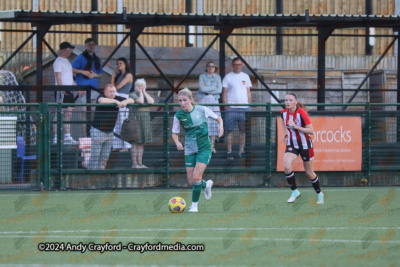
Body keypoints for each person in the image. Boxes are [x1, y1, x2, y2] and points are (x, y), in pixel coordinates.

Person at [172, 88, 224, 212]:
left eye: (185, 100)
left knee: (196, 177)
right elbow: (174, 133)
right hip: (189, 150)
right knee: (191, 181)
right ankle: (207, 184)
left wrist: (220, 127)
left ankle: (194, 206)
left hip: (204, 148)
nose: (182, 103)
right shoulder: (178, 115)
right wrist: (177, 142)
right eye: (180, 101)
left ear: (190, 100)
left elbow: (218, 118)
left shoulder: (202, 110)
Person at [281, 93, 324, 205]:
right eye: (286, 100)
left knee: (309, 173)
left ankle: (319, 194)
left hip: (305, 145)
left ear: (295, 102)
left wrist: (296, 127)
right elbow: (283, 122)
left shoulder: (302, 113)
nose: (287, 102)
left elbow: (311, 131)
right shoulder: (283, 113)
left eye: (290, 100)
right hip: (292, 144)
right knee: (286, 166)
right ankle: (295, 192)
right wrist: (286, 133)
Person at [88, 84, 134, 170]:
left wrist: (125, 102)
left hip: (109, 132)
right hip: (98, 131)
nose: (113, 93)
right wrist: (116, 102)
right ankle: (90, 174)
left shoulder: (117, 97)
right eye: (110, 92)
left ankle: (99, 175)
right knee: (95, 156)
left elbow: (132, 100)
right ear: (105, 92)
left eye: (114, 91)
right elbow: (102, 101)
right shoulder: (101, 96)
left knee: (104, 158)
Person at [71, 37, 104, 136]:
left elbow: (101, 74)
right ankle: (86, 136)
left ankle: (93, 134)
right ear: (85, 46)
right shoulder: (80, 57)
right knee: (84, 113)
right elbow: (71, 69)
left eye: (93, 44)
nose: (91, 46)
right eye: (89, 44)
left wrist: (94, 75)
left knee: (93, 112)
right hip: (84, 89)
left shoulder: (97, 59)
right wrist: (82, 72)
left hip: (94, 89)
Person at [53, 41, 84, 145]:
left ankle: (67, 136)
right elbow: (58, 76)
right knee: (59, 113)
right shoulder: (58, 61)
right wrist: (62, 89)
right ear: (64, 50)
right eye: (69, 49)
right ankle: (56, 137)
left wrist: (77, 88)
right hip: (62, 90)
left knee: (68, 113)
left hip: (69, 90)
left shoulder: (67, 61)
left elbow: (70, 78)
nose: (70, 51)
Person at [222, 57, 252, 160]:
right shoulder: (228, 77)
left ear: (242, 65)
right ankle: (229, 152)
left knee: (243, 131)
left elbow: (248, 92)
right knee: (229, 130)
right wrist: (226, 106)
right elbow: (224, 93)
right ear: (232, 65)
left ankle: (241, 152)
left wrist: (249, 105)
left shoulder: (246, 76)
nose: (237, 66)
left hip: (244, 108)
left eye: (239, 65)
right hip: (231, 108)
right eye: (235, 65)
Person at [129, 79, 154, 168]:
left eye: (142, 85)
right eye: (138, 85)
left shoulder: (146, 95)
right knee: (135, 143)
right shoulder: (132, 94)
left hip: (145, 122)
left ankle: (140, 163)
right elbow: (140, 101)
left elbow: (151, 101)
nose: (140, 87)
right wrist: (140, 93)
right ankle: (134, 163)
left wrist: (144, 92)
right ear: (135, 86)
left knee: (141, 143)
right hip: (135, 122)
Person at [198, 61, 222, 154]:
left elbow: (219, 90)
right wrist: (213, 88)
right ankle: (203, 146)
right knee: (203, 121)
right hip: (204, 99)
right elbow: (202, 89)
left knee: (213, 121)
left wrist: (208, 87)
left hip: (214, 100)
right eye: (209, 66)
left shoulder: (218, 77)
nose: (211, 68)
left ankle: (212, 146)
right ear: (206, 67)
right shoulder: (202, 76)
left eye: (213, 66)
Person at [111, 57, 133, 152]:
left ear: (125, 64)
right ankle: (116, 145)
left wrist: (114, 87)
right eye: (117, 64)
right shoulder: (118, 75)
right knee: (116, 123)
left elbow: (118, 87)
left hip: (123, 98)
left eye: (120, 63)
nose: (119, 65)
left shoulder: (128, 75)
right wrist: (113, 75)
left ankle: (126, 146)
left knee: (123, 122)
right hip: (116, 97)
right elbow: (112, 87)